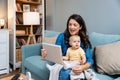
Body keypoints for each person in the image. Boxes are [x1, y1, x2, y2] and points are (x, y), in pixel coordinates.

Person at [41, 14, 94, 80]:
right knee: (65, 71)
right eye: (70, 24)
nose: (71, 27)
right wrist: (46, 55)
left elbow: (90, 60)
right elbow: (56, 55)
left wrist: (83, 67)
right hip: (63, 64)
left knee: (66, 72)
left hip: (78, 64)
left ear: (80, 27)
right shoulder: (61, 36)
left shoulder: (83, 40)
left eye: (75, 25)